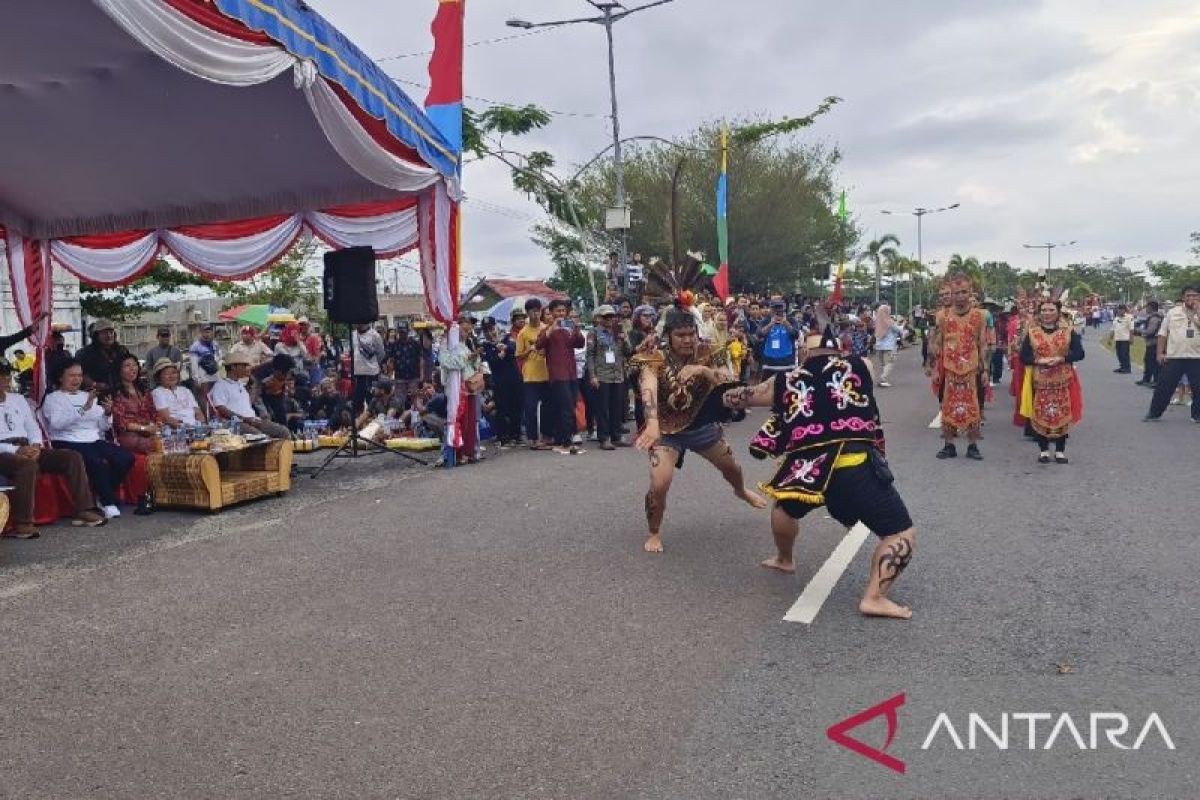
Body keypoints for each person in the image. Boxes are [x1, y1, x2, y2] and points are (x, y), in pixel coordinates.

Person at [722, 318, 917, 620]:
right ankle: (874, 597)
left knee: (784, 510)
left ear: (803, 353)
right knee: (899, 532)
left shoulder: (784, 379)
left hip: (806, 470)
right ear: (838, 352)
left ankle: (785, 558)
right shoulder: (861, 364)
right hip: (853, 464)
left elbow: (741, 397)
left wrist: (718, 390)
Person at [631, 302, 766, 554]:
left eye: (691, 334)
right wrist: (651, 425)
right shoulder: (654, 358)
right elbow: (647, 386)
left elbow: (730, 381)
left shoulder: (709, 351)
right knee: (660, 484)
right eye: (680, 335)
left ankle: (740, 491)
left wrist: (703, 370)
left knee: (732, 468)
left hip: (701, 426)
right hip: (666, 430)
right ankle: (654, 531)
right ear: (668, 336)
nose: (687, 340)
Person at [0, 361, 106, 537]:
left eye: (6, 375)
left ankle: (85, 509)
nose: (4, 379)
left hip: (27, 445)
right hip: (4, 450)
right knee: (27, 466)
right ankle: (22, 523)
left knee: (71, 457)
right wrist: (15, 450)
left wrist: (35, 444)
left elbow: (32, 426)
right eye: (1, 376)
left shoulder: (17, 399)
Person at [43, 359, 134, 520]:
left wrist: (107, 413)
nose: (77, 379)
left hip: (92, 438)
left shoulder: (87, 395)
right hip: (66, 439)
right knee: (96, 461)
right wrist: (83, 409)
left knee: (125, 458)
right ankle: (107, 502)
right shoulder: (53, 398)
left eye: (79, 375)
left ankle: (102, 492)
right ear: (60, 377)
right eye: (71, 376)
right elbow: (57, 424)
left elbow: (102, 426)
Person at [928, 273, 988, 460]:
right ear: (951, 295)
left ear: (970, 293)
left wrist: (985, 369)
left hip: (971, 371)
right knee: (948, 406)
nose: (960, 296)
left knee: (973, 407)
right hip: (950, 371)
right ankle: (948, 445)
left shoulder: (980, 316)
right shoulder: (942, 317)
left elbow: (983, 343)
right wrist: (935, 369)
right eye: (956, 292)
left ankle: (972, 445)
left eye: (964, 292)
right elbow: (937, 344)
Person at [1018, 300, 1085, 463]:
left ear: (1058, 312)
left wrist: (1062, 358)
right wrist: (1038, 361)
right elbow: (1023, 357)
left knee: (1062, 413)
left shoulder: (1069, 331)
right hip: (1041, 381)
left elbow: (1080, 353)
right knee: (1041, 413)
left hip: (1062, 380)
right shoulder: (1032, 332)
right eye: (1044, 310)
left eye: (1051, 310)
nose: (1047, 313)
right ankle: (1043, 450)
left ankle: (1060, 450)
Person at [1143, 286, 1200, 423]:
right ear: (1183, 297)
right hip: (1174, 356)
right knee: (1164, 386)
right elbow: (1163, 334)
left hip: (1196, 357)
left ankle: (1197, 415)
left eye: (1194, 295)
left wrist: (1197, 312)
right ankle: (1154, 413)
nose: (1191, 298)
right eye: (1188, 295)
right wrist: (1159, 353)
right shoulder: (1173, 312)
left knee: (1198, 388)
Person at [537, 299, 585, 454]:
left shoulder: (567, 329)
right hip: (558, 375)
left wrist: (577, 330)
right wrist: (552, 329)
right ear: (550, 313)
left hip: (571, 374)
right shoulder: (547, 330)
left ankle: (561, 438)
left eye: (563, 311)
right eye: (558, 311)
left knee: (569, 406)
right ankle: (566, 441)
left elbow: (579, 344)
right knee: (565, 408)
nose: (561, 314)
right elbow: (539, 344)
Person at [208, 352, 290, 438]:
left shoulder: (240, 384)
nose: (245, 369)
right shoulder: (221, 385)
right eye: (243, 366)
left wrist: (254, 386)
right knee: (260, 436)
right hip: (235, 423)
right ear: (233, 367)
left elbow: (248, 404)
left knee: (283, 431)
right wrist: (245, 419)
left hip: (252, 420)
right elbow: (221, 409)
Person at [587, 305, 630, 450]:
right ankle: (604, 438)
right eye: (606, 317)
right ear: (599, 318)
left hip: (617, 374)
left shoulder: (618, 331)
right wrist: (593, 375)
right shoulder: (594, 333)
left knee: (617, 407)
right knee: (603, 408)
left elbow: (628, 351)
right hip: (602, 375)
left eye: (611, 316)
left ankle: (616, 436)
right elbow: (590, 355)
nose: (609, 319)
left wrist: (624, 339)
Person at [480, 317, 522, 446]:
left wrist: (505, 349)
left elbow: (515, 349)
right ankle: (503, 437)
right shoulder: (485, 345)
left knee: (517, 408)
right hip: (499, 382)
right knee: (501, 410)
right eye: (486, 330)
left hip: (515, 379)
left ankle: (516, 435)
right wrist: (500, 354)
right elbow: (492, 360)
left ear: (496, 327)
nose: (490, 333)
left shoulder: (507, 338)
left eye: (491, 329)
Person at [517, 298, 552, 450]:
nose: (536, 313)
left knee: (547, 407)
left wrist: (546, 351)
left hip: (546, 373)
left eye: (538, 310)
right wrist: (530, 349)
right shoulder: (523, 333)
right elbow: (518, 356)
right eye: (532, 310)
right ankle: (532, 438)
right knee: (530, 408)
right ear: (528, 313)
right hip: (530, 376)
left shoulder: (546, 328)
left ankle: (546, 436)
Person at [111, 354, 160, 454]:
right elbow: (120, 422)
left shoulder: (144, 390)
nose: (132, 369)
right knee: (155, 445)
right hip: (129, 435)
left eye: (134, 365)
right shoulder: (115, 393)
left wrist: (156, 425)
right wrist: (143, 428)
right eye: (127, 366)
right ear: (119, 370)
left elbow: (154, 412)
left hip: (150, 430)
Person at [77, 319, 131, 392]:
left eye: (111, 332)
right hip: (95, 395)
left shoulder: (122, 351)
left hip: (121, 393)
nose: (109, 335)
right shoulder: (84, 353)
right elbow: (79, 374)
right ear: (96, 335)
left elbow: (130, 368)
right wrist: (94, 384)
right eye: (104, 333)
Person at [150, 358, 205, 429]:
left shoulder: (185, 390)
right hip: (177, 431)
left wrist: (202, 426)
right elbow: (167, 419)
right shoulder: (157, 393)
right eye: (166, 373)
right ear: (159, 377)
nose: (171, 376)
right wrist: (187, 427)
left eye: (174, 372)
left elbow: (198, 413)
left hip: (196, 429)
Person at [350, 321, 385, 415]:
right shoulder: (353, 334)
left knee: (372, 399)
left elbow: (381, 354)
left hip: (372, 373)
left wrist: (373, 364)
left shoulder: (375, 335)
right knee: (357, 400)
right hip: (358, 374)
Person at [758, 300, 799, 376]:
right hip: (769, 364)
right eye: (775, 308)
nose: (778, 310)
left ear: (784, 308)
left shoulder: (791, 320)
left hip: (787, 363)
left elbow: (796, 334)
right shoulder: (765, 320)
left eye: (780, 307)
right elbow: (759, 334)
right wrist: (771, 324)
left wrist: (785, 323)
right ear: (771, 309)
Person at [388, 322, 424, 403]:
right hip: (399, 377)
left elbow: (421, 359)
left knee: (414, 399)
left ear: (408, 331)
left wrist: (421, 375)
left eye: (404, 332)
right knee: (399, 401)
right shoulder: (394, 345)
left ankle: (415, 415)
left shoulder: (415, 343)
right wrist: (390, 376)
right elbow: (391, 361)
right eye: (400, 332)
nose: (402, 334)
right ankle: (402, 415)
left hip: (413, 376)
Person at [188, 323, 222, 395]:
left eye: (209, 331)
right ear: (200, 332)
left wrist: (217, 364)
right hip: (203, 379)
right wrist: (196, 379)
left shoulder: (215, 344)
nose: (207, 333)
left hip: (216, 377)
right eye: (205, 331)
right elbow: (194, 365)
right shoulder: (195, 346)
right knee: (205, 400)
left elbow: (219, 357)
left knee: (216, 399)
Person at [873, 304, 902, 387]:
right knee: (889, 362)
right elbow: (898, 330)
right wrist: (901, 330)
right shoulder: (889, 321)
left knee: (883, 364)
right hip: (889, 346)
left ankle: (883, 379)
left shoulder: (877, 321)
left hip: (879, 346)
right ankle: (883, 378)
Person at [1135, 301, 1164, 387]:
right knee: (1148, 361)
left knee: (1153, 363)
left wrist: (1139, 330)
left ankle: (1156, 381)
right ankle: (1147, 379)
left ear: (1151, 307)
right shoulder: (1157, 317)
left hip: (1154, 343)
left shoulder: (1154, 318)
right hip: (1153, 343)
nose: (1146, 309)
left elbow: (1150, 331)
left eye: (1147, 307)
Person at [1112, 304, 1134, 374]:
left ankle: (1127, 368)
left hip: (1125, 339)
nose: (1120, 311)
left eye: (1122, 309)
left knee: (1124, 354)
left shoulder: (1129, 317)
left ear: (1125, 310)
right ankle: (1122, 367)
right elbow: (1113, 329)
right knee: (1119, 354)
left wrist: (1131, 338)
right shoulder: (1116, 318)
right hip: (1118, 338)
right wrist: (1109, 339)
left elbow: (1131, 329)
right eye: (1119, 309)